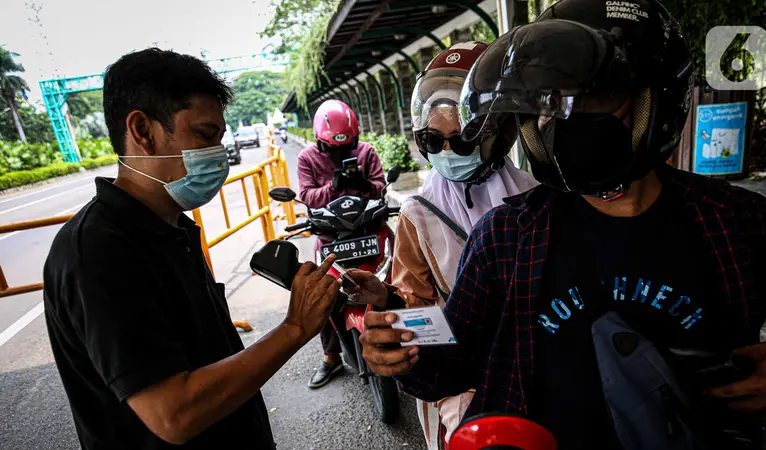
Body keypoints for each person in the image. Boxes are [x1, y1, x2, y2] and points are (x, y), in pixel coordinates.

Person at [353, 1, 766, 449]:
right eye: (549, 105)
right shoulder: (505, 236)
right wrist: (403, 353)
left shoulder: (735, 221)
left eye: (594, 99)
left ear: (655, 101)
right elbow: (451, 365)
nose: (565, 120)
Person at [43, 49, 340, 449]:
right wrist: (294, 328)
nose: (220, 155)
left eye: (219, 137)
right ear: (143, 131)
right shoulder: (98, 253)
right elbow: (174, 414)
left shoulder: (172, 225)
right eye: (204, 135)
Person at [345, 42, 536, 449]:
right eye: (434, 141)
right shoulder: (420, 214)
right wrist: (388, 301)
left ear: (496, 133)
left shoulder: (537, 198)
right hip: (460, 379)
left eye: (462, 140)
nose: (447, 152)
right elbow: (421, 314)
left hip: (539, 361)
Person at [296, 99, 387, 388]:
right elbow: (307, 196)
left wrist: (362, 184)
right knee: (322, 291)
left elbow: (380, 187)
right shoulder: (307, 158)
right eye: (333, 149)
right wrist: (332, 186)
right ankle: (331, 356)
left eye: (346, 147)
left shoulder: (366, 152)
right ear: (320, 142)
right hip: (331, 237)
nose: (340, 153)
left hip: (368, 231)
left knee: (396, 276)